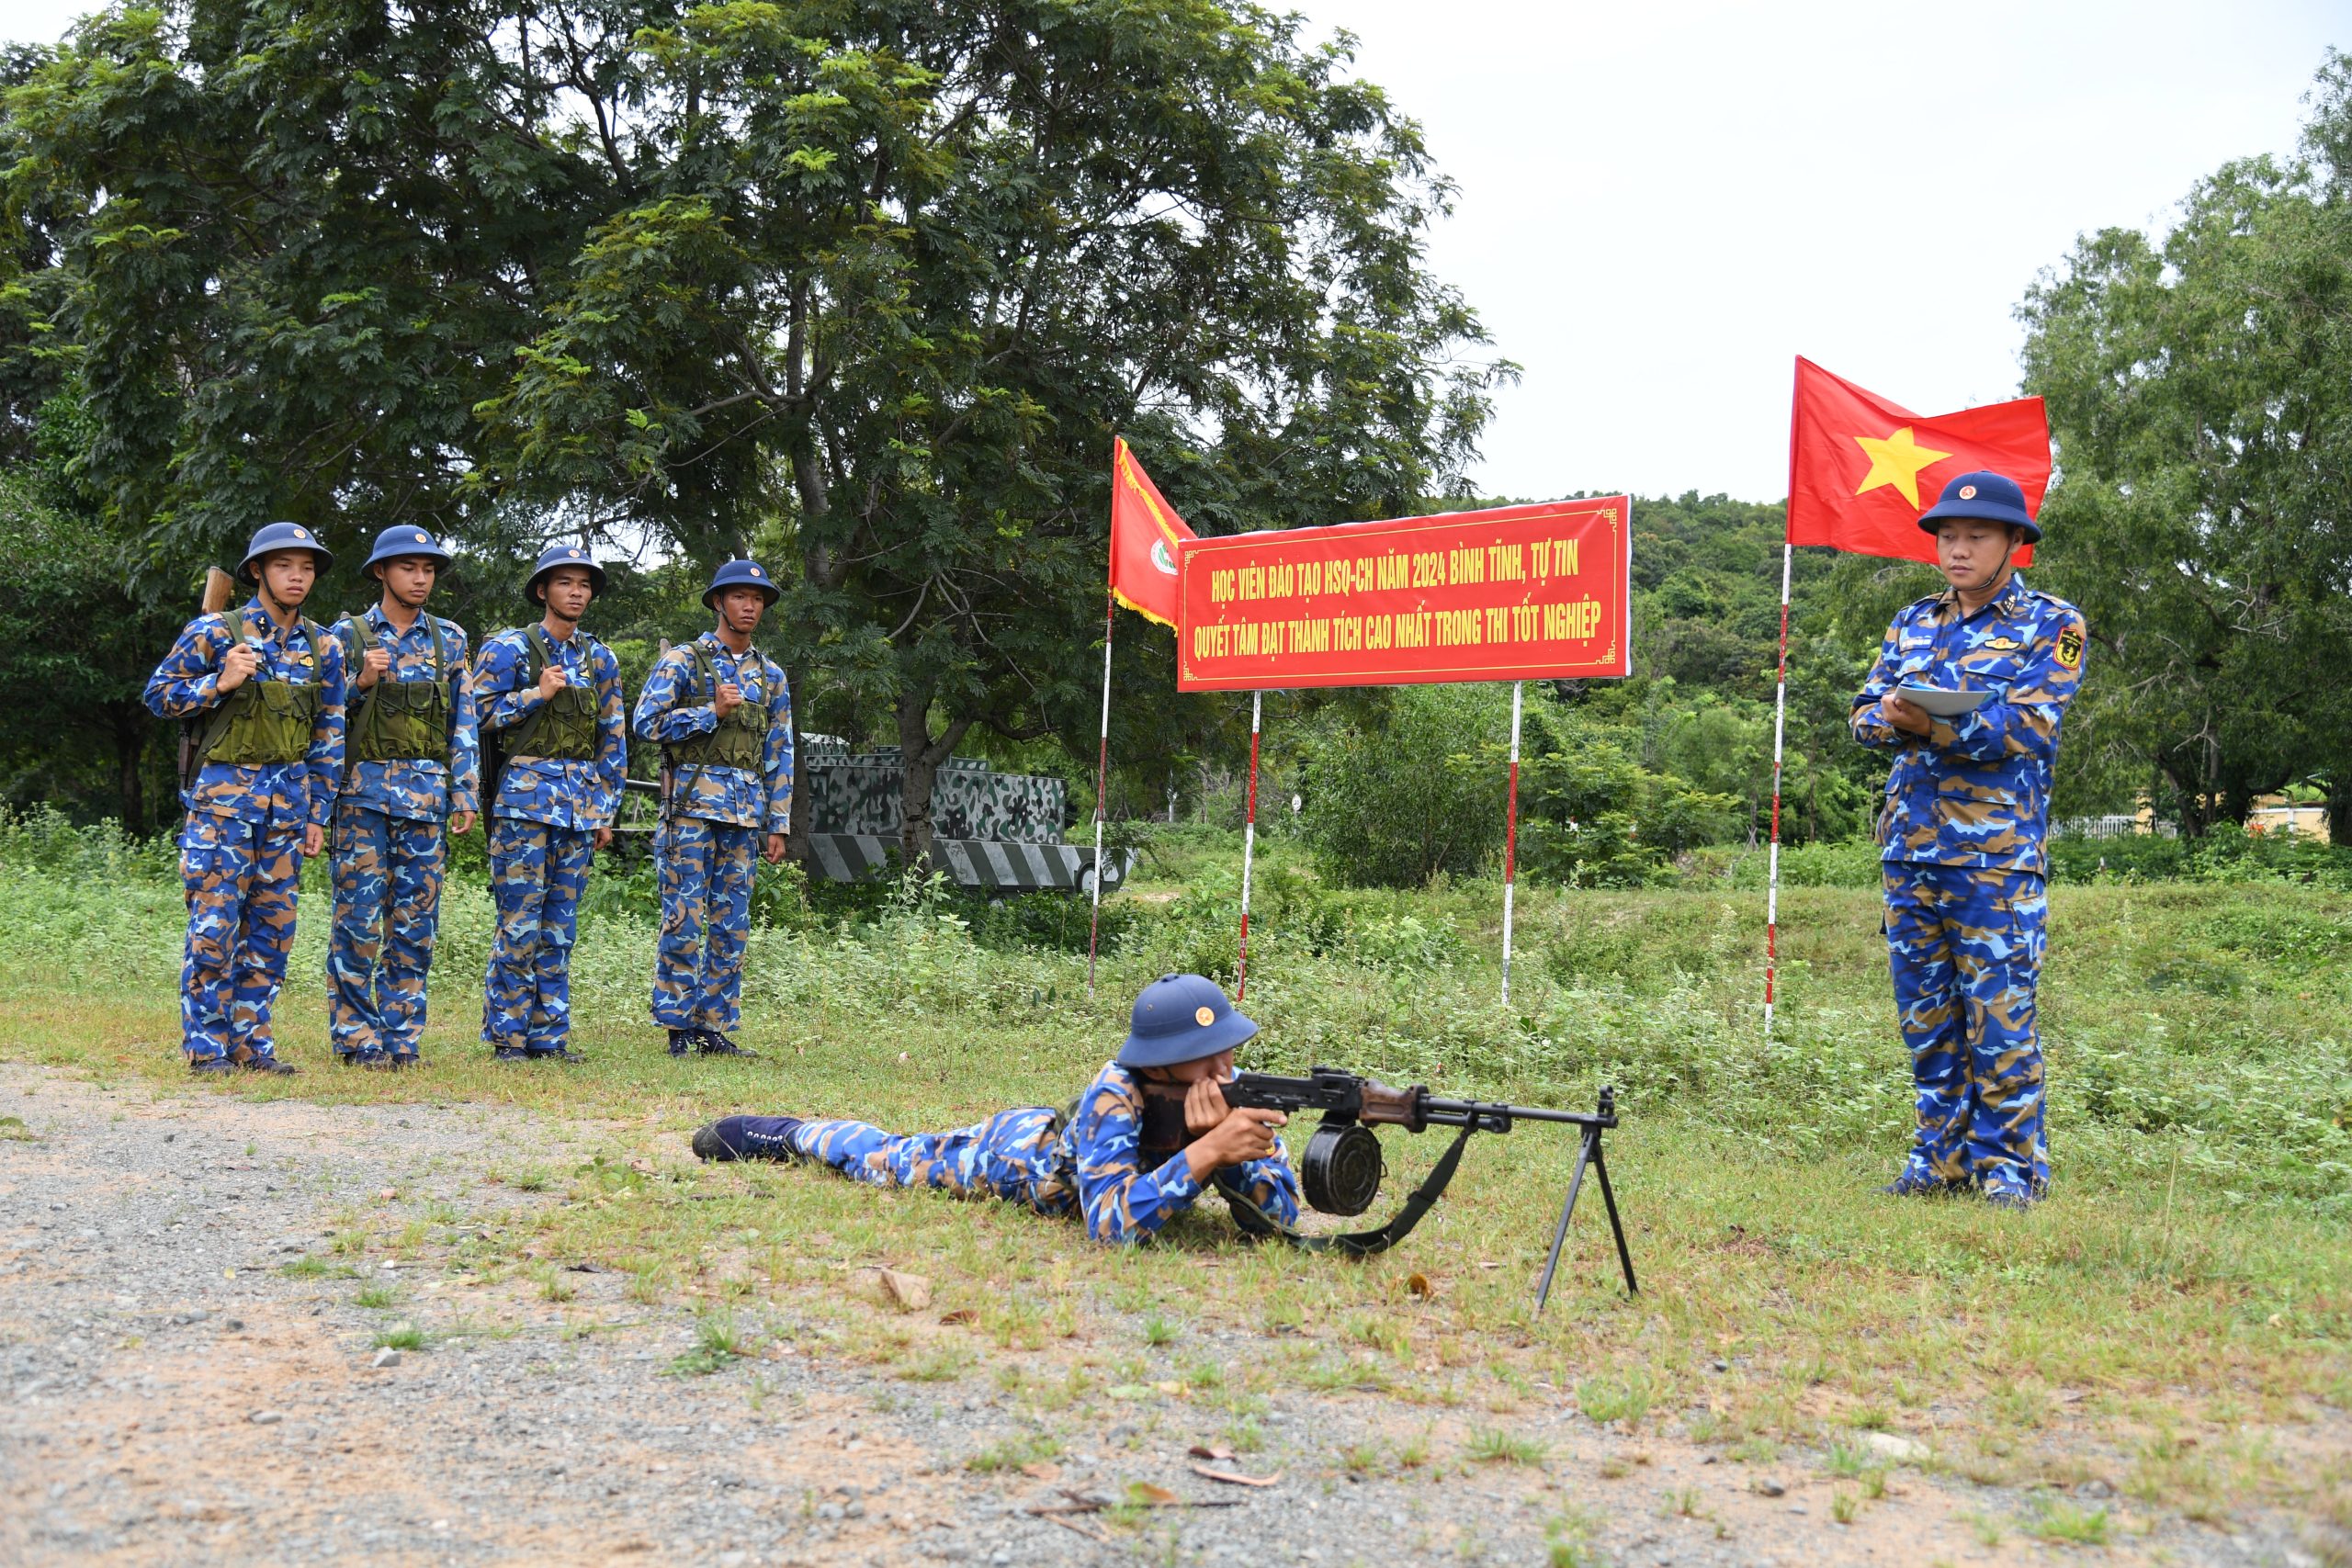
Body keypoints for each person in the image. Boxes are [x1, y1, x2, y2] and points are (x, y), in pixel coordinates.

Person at [1851, 469, 2086, 1209]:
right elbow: (1861, 715)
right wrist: (1890, 717)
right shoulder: (1912, 621)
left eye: (1975, 536)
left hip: (1995, 861)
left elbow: (2030, 725)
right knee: (1927, 1020)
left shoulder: (2053, 624)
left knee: (2001, 1019)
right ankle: (1939, 1161)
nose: (1957, 549)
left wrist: (1938, 726)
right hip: (1911, 852)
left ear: (2014, 543)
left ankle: (2013, 1171)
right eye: (1947, 536)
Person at [692, 973, 1300, 1243]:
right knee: (888, 1156)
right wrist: (1203, 1153)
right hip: (1010, 1161)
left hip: (1047, 1133)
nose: (1224, 1070)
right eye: (1205, 1056)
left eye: (1227, 1051)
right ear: (1161, 1063)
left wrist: (1232, 1154)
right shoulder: (1116, 1093)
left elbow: (1282, 1214)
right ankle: (788, 1134)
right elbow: (1109, 1225)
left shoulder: (1228, 1086)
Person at [143, 522, 347, 1076]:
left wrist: (317, 815)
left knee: (272, 935)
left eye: (306, 568)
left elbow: (329, 735)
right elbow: (159, 696)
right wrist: (220, 682)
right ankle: (207, 1049)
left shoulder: (324, 646)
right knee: (213, 930)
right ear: (258, 570)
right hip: (221, 813)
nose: (297, 576)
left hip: (287, 812)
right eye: (285, 565)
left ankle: (252, 1045)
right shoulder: (215, 632)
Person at [326, 526, 481, 1069]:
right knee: (359, 921)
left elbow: (464, 721)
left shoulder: (451, 640)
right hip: (360, 800)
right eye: (409, 568)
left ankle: (402, 1038)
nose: (421, 578)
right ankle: (355, 1037)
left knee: (416, 923)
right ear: (380, 573)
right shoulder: (343, 637)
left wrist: (465, 792)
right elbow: (320, 721)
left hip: (425, 801)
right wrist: (360, 683)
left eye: (429, 569)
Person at [630, 559, 794, 1057]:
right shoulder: (684, 660)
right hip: (690, 811)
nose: (750, 606)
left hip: (745, 817)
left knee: (731, 924)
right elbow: (644, 722)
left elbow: (780, 751)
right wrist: (710, 713)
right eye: (740, 596)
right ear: (719, 602)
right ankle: (679, 1028)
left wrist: (778, 823)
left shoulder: (770, 676)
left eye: (758, 598)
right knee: (683, 917)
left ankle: (714, 1027)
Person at [471, 545, 627, 1063]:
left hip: (580, 808)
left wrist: (606, 809)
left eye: (583, 584)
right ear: (543, 590)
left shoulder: (600, 658)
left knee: (560, 928)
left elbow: (612, 738)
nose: (576, 592)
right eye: (565, 583)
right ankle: (508, 1038)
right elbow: (475, 718)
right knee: (519, 924)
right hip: (522, 805)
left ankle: (548, 1037)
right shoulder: (508, 649)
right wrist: (533, 696)